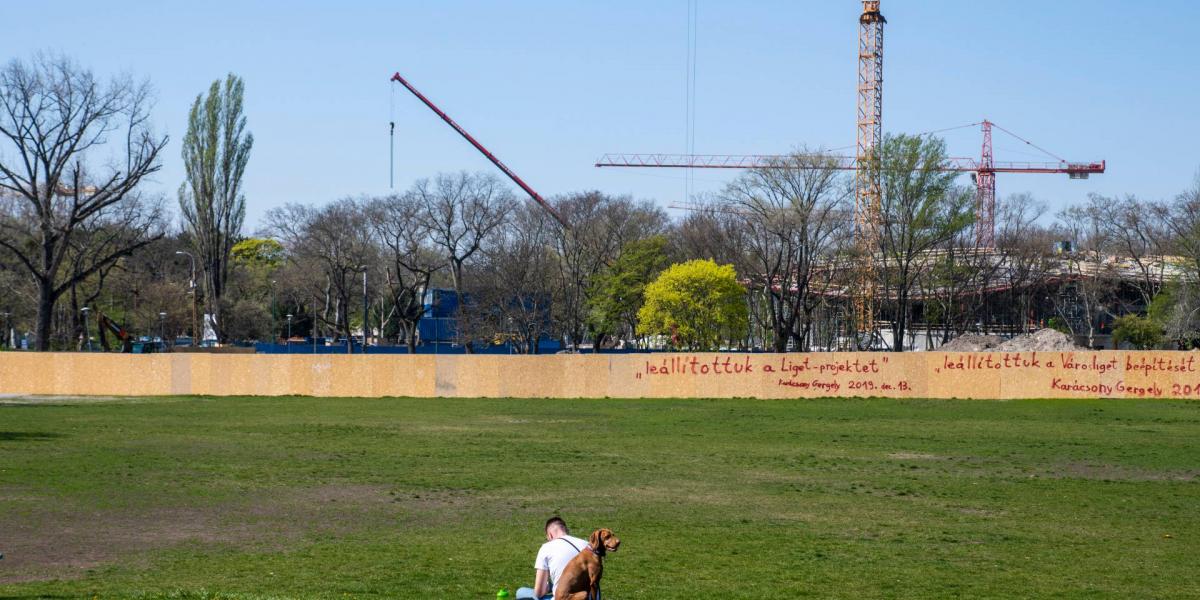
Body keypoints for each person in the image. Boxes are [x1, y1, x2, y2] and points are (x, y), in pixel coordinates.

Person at [515, 516, 589, 600]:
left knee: (521, 592)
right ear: (567, 531)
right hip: (592, 597)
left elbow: (539, 593)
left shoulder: (546, 548)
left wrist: (547, 587)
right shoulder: (587, 545)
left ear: (550, 535)